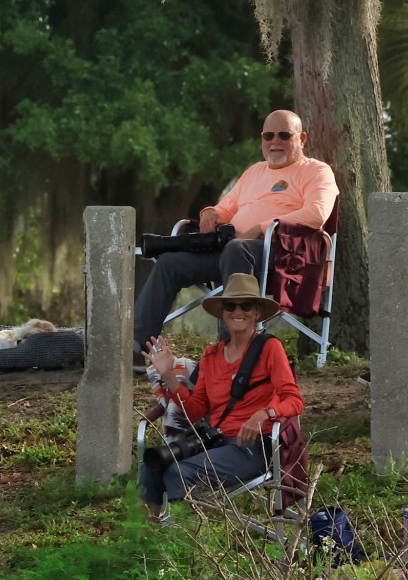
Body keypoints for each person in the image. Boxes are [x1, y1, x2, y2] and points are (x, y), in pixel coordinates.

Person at [134, 109, 339, 370]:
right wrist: (211, 213)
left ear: (302, 139)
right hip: (234, 251)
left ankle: (231, 350)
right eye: (268, 136)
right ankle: (138, 347)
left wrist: (262, 228)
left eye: (284, 135)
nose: (275, 142)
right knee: (170, 263)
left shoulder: (316, 171)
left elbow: (316, 214)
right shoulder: (254, 172)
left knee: (237, 249)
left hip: (285, 254)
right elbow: (226, 207)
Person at [138, 273, 304, 521]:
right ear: (223, 313)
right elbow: (195, 411)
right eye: (230, 306)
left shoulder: (270, 348)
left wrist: (264, 413)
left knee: (178, 473)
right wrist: (169, 376)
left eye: (245, 305)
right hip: (215, 441)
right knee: (151, 467)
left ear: (257, 313)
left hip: (252, 447)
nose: (238, 311)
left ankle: (184, 538)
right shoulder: (211, 355)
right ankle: (150, 533)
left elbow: (294, 400)